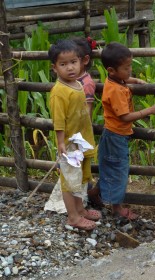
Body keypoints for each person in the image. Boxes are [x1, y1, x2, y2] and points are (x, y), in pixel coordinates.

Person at [98, 42, 155, 220]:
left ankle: (95, 194)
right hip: (116, 135)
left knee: (109, 167)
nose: (130, 71)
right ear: (112, 70)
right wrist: (149, 110)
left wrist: (134, 80)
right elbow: (124, 117)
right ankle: (117, 209)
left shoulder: (113, 80)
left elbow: (123, 80)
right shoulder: (116, 91)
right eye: (127, 68)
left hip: (112, 134)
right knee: (119, 171)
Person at [48, 39, 101, 230]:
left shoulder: (77, 85)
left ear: (81, 62)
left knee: (81, 179)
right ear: (55, 68)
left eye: (73, 62)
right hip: (69, 145)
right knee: (70, 182)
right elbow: (59, 120)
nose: (70, 68)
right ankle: (73, 217)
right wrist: (61, 142)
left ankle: (81, 210)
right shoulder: (59, 91)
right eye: (63, 64)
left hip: (82, 142)